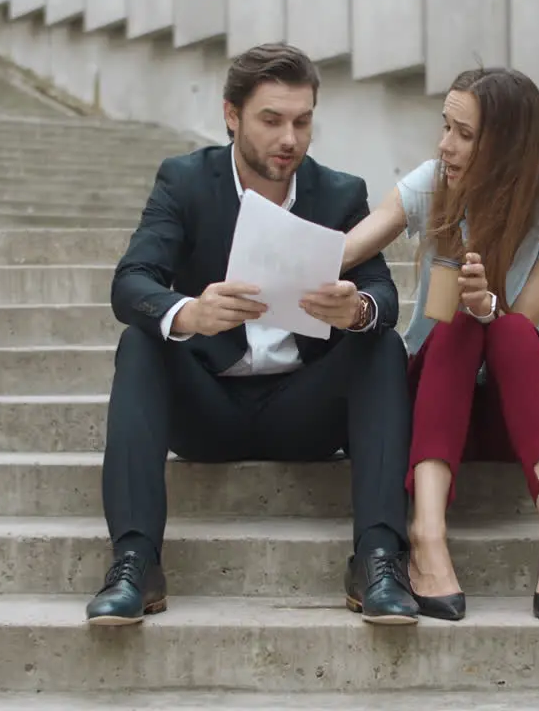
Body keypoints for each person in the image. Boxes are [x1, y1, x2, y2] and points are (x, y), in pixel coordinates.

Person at [86, 43, 419, 627]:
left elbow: (383, 296)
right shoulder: (184, 181)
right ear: (231, 116)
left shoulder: (339, 193)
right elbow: (130, 282)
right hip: (207, 408)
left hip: (304, 411)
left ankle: (379, 559)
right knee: (141, 341)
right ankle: (136, 562)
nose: (289, 138)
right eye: (271, 120)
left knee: (382, 344)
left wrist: (357, 309)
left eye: (302, 120)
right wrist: (187, 313)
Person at [340, 67, 539, 623]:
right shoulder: (433, 182)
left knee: (504, 328)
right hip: (432, 403)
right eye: (444, 126)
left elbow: (519, 331)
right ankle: (427, 535)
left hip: (517, 413)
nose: (444, 144)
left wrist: (489, 307)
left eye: (463, 134)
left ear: (507, 146)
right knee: (454, 326)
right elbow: (353, 245)